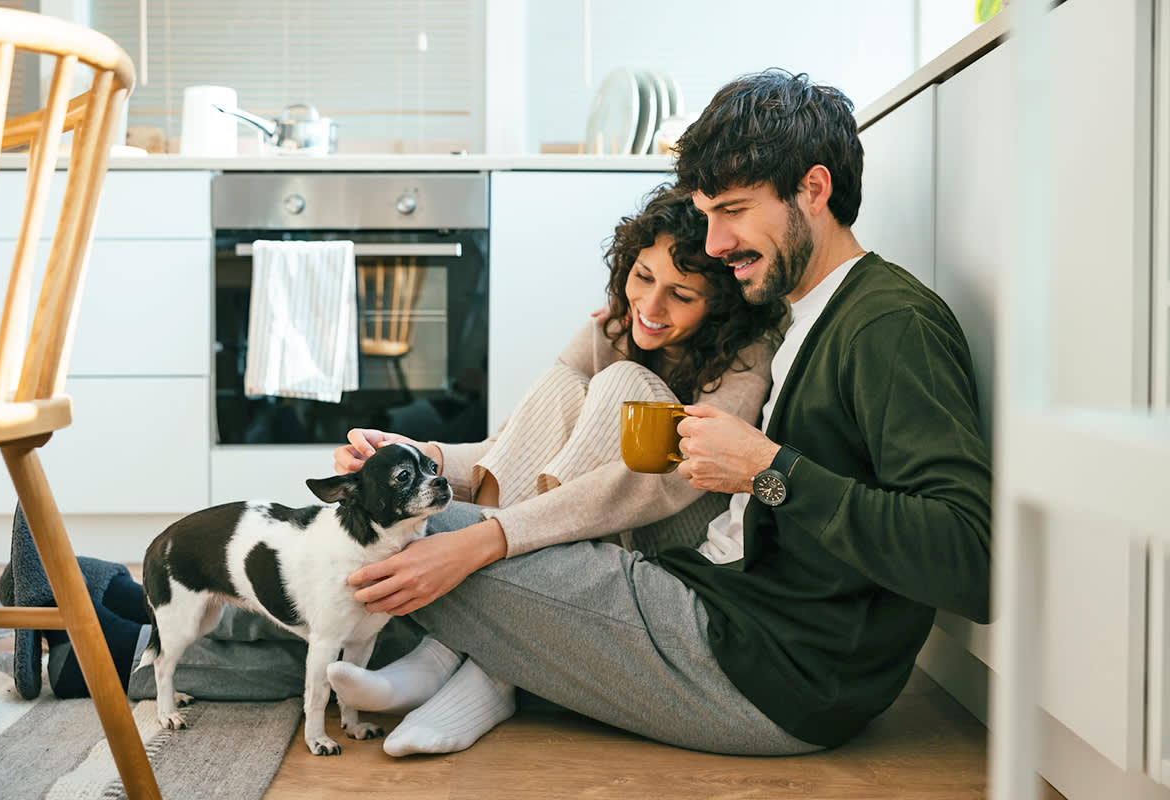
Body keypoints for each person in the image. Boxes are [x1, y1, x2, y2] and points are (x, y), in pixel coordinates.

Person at [340, 67, 992, 757]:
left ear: (815, 189)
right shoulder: (796, 316)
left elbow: (968, 559)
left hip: (767, 667)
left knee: (393, 528)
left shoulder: (891, 324)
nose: (713, 244)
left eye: (733, 211)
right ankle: (229, 636)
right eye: (706, 215)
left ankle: (459, 663)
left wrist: (769, 470)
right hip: (707, 598)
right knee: (356, 549)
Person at [2, 185, 780, 725]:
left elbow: (641, 498)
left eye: (680, 295)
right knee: (344, 587)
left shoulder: (742, 361)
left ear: (720, 300)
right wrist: (425, 453)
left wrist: (481, 539)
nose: (649, 306)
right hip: (540, 533)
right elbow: (514, 443)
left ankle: (89, 632)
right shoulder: (614, 324)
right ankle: (92, 597)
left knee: (364, 603)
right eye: (643, 277)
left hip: (622, 559)